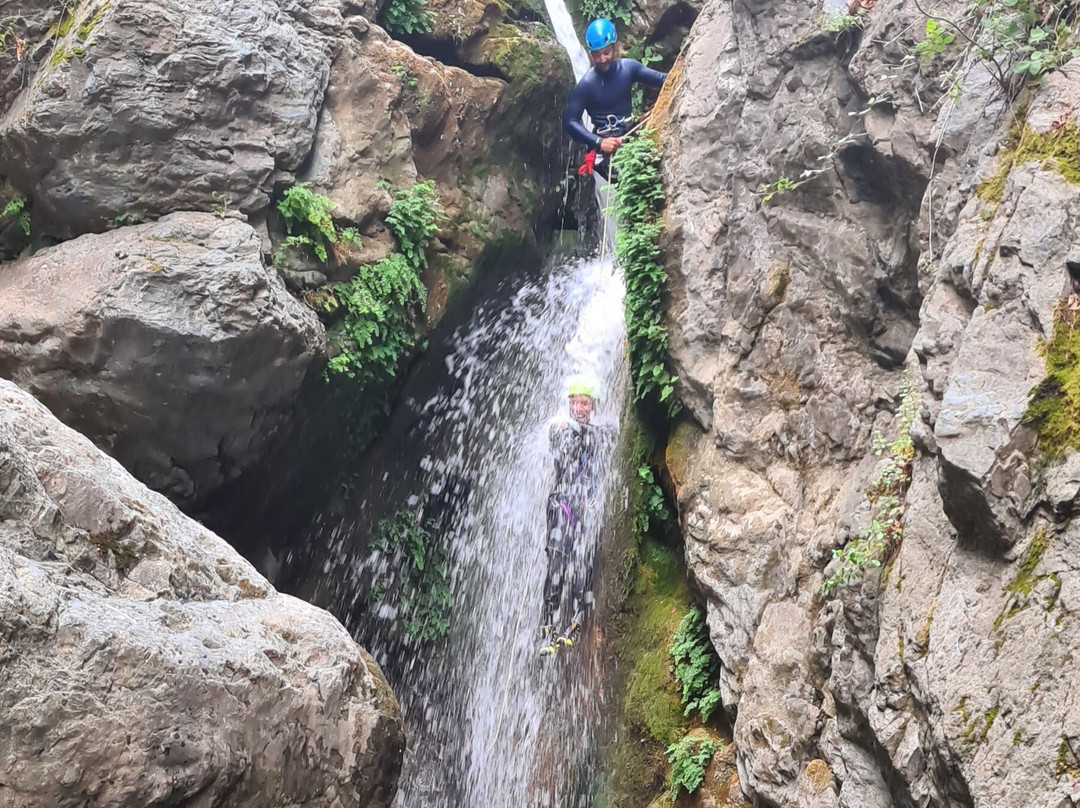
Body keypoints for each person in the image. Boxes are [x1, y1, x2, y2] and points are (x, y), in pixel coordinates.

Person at [539, 375, 615, 656]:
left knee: (583, 562)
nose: (581, 408)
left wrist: (590, 429)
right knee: (557, 562)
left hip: (585, 507)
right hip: (562, 504)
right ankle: (547, 625)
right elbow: (562, 444)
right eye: (577, 403)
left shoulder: (600, 432)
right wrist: (571, 427)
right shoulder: (559, 430)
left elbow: (607, 436)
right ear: (569, 404)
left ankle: (575, 622)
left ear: (592, 405)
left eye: (585, 403)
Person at [563, 18, 667, 177]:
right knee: (634, 177)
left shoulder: (629, 68)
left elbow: (662, 79)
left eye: (606, 52)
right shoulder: (587, 85)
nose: (602, 59)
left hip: (629, 134)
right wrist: (599, 142)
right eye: (597, 55)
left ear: (614, 46)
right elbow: (570, 121)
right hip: (606, 148)